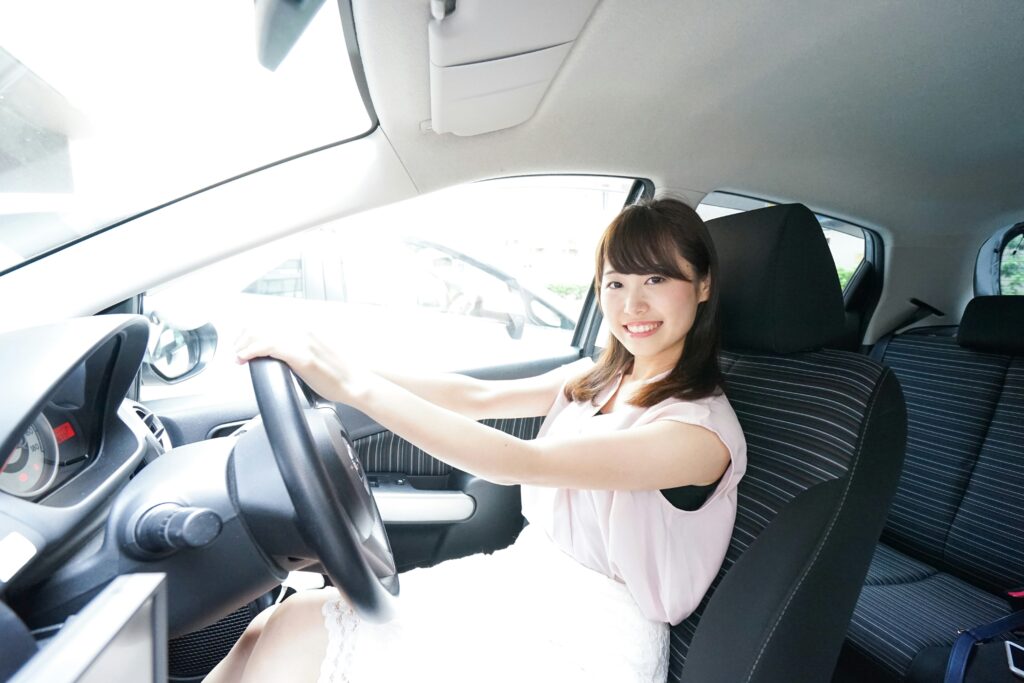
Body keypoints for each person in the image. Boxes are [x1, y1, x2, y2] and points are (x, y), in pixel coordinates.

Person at [212, 197, 747, 683]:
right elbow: (475, 397)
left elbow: (524, 462)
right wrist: (333, 365)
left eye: (656, 280)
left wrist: (351, 386)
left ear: (702, 286)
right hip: (520, 584)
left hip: (590, 637)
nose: (631, 305)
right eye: (616, 282)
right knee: (275, 621)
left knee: (299, 632)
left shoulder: (697, 434)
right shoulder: (603, 376)